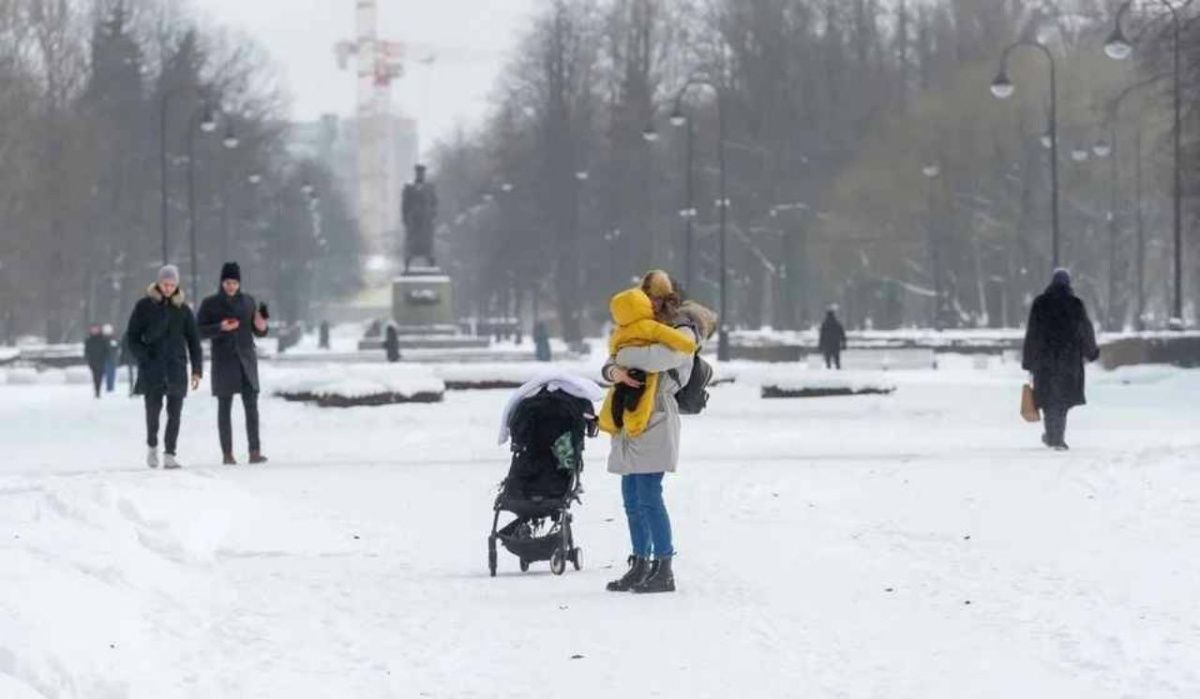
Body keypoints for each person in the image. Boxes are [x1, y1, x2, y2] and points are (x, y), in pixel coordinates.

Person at [602, 270, 717, 594]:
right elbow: (609, 364)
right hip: (630, 415)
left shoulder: (682, 328)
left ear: (665, 298)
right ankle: (640, 564)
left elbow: (660, 359)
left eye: (652, 297)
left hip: (658, 416)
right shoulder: (636, 330)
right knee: (631, 497)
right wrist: (616, 370)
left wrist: (621, 358)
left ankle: (663, 567)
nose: (648, 303)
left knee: (649, 495)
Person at [124, 265, 203, 469]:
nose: (168, 288)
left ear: (177, 285)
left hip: (176, 367)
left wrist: (196, 370)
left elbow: (194, 341)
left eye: (172, 285)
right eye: (165, 284)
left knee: (174, 413)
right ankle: (152, 445)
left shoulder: (183, 310)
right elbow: (131, 337)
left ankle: (170, 453)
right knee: (153, 411)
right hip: (152, 367)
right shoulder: (144, 306)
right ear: (158, 283)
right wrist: (143, 356)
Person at [198, 262, 269, 465]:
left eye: (235, 282)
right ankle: (227, 453)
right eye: (228, 282)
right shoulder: (210, 303)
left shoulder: (248, 301)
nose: (231, 286)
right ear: (222, 282)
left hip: (246, 359)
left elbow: (258, 330)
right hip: (224, 360)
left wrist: (262, 326)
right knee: (224, 406)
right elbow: (198, 331)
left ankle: (254, 451)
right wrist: (220, 327)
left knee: (251, 406)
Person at [1022, 268, 1100, 451]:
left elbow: (1032, 333)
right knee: (1062, 400)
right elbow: (1085, 330)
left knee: (1049, 399)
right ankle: (1057, 437)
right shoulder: (1075, 305)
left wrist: (1028, 360)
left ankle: (1052, 435)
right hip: (1069, 360)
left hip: (1045, 360)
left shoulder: (1040, 304)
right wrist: (1091, 352)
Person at [84, 324, 109, 398]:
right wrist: (88, 358)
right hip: (93, 361)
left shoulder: (103, 340)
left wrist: (105, 358)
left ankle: (98, 389)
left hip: (101, 360)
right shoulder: (88, 340)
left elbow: (106, 350)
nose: (94, 331)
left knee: (100, 376)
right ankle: (96, 390)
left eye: (96, 329)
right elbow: (86, 350)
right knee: (95, 376)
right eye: (93, 329)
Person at [102, 324, 118, 393]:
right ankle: (109, 387)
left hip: (112, 359)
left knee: (112, 374)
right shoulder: (103, 340)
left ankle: (111, 387)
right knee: (108, 373)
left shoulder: (113, 339)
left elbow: (116, 348)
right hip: (106, 359)